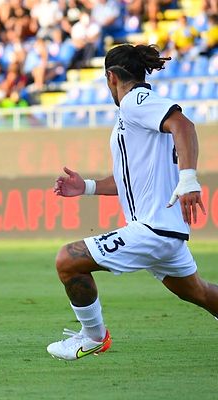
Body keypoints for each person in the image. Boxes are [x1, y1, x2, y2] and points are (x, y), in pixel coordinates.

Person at [46, 44, 218, 361]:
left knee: (67, 260)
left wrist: (189, 178)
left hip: (153, 230)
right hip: (164, 232)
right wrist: (86, 187)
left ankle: (93, 337)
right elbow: (130, 179)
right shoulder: (135, 114)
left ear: (111, 76)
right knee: (201, 292)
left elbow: (184, 125)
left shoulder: (136, 102)